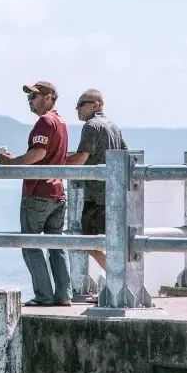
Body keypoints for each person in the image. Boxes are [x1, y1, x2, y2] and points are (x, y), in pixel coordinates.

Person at [0, 80, 72, 306]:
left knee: (30, 245)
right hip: (58, 193)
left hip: (38, 192)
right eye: (29, 97)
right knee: (57, 245)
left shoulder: (45, 122)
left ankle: (44, 296)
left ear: (49, 98)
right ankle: (64, 295)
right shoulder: (61, 122)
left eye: (35, 96)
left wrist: (12, 163)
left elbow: (38, 153)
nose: (30, 101)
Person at [65, 88, 127, 271]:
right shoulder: (114, 127)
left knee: (89, 242)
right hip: (114, 193)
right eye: (77, 105)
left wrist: (54, 163)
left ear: (96, 105)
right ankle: (116, 279)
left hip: (95, 196)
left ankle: (116, 277)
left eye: (82, 104)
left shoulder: (91, 126)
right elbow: (125, 155)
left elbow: (80, 158)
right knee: (111, 241)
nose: (77, 108)